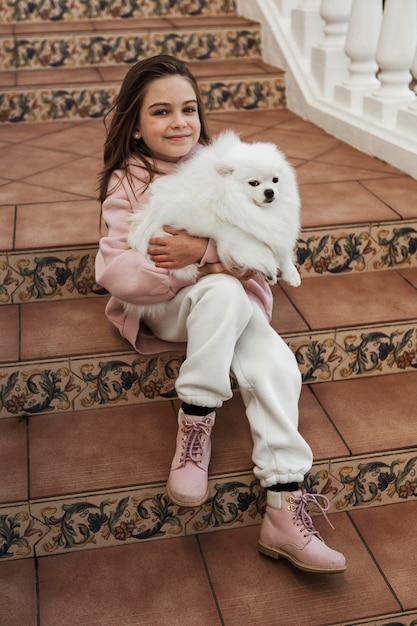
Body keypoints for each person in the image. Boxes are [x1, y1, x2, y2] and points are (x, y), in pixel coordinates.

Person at [96, 54, 346, 574]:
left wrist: (207, 252)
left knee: (276, 364)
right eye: (161, 112)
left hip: (225, 294)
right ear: (137, 127)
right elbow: (116, 266)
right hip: (165, 302)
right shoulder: (130, 178)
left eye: (188, 109)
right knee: (224, 296)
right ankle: (197, 423)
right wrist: (184, 269)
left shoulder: (231, 164)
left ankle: (285, 501)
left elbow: (264, 248)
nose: (180, 122)